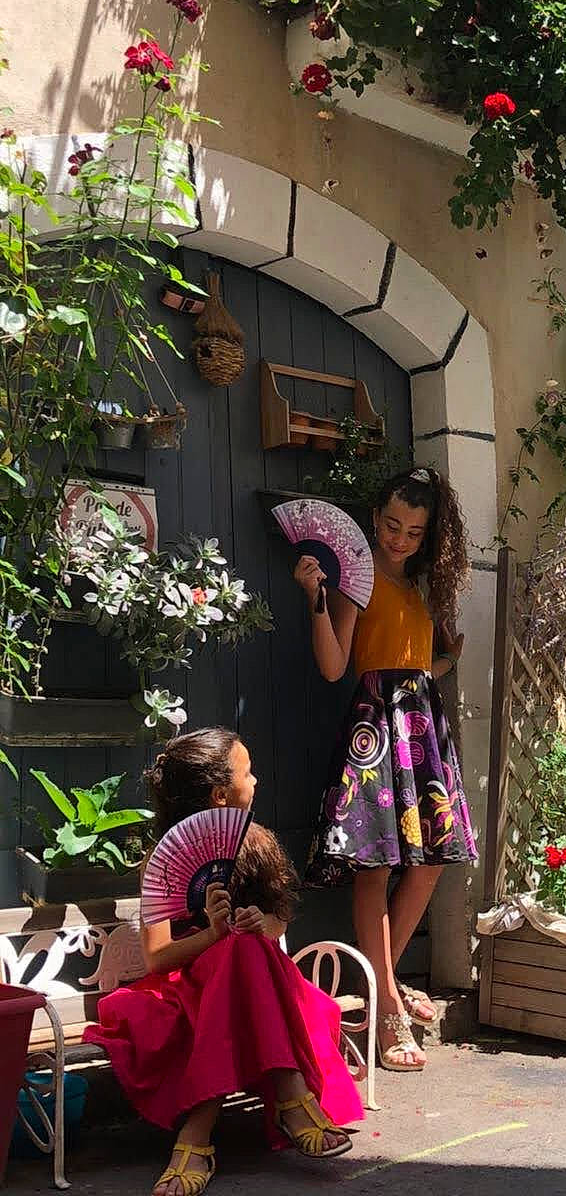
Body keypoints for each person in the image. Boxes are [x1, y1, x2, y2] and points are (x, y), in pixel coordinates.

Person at [85, 728, 363, 1196]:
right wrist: (213, 936)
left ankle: (196, 1138)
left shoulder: (257, 843)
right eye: (247, 771)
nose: (256, 780)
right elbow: (156, 959)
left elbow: (278, 920)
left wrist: (262, 923)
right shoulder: (165, 857)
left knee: (246, 948)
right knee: (236, 950)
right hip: (186, 984)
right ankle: (291, 1096)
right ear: (220, 795)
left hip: (253, 978)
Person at [296, 467, 478, 1073]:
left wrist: (431, 678)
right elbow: (331, 667)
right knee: (373, 867)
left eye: (414, 532)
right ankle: (388, 1011)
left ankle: (383, 987)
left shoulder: (426, 589)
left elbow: (447, 652)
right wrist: (316, 599)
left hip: (423, 727)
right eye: (393, 525)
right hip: (375, 726)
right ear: (375, 518)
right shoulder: (357, 581)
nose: (400, 539)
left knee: (429, 863)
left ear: (427, 537)